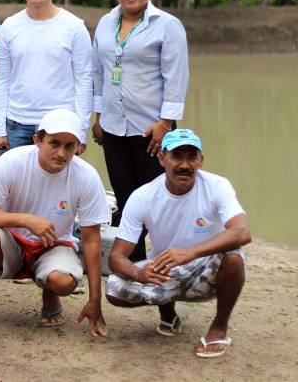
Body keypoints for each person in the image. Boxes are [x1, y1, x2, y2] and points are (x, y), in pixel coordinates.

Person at [0, 108, 109, 361]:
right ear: (37, 140)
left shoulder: (87, 177)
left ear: (78, 147)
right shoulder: (13, 161)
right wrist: (23, 219)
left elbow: (91, 239)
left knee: (64, 281)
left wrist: (95, 300)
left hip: (53, 245)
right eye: (54, 144)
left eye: (69, 146)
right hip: (11, 241)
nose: (61, 153)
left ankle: (50, 296)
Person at [106, 129, 250, 358]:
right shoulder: (143, 196)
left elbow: (242, 231)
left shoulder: (217, 185)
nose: (184, 164)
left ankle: (219, 327)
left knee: (233, 256)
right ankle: (168, 314)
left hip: (207, 269)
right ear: (162, 159)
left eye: (191, 157)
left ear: (201, 161)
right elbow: (116, 257)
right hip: (167, 269)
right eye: (176, 156)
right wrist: (139, 274)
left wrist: (191, 252)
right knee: (114, 288)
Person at [92, 0, 189, 261]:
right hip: (113, 127)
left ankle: (164, 270)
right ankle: (133, 271)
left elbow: (176, 78)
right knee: (126, 199)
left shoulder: (167, 25)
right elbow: (98, 71)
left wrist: (165, 124)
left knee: (156, 203)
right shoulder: (106, 23)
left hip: (151, 130)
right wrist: (98, 117)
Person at [0, 0, 91, 157]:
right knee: (16, 185)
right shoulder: (9, 27)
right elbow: (1, 79)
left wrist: (81, 131)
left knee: (57, 185)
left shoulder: (74, 27)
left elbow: (84, 81)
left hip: (60, 124)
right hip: (17, 123)